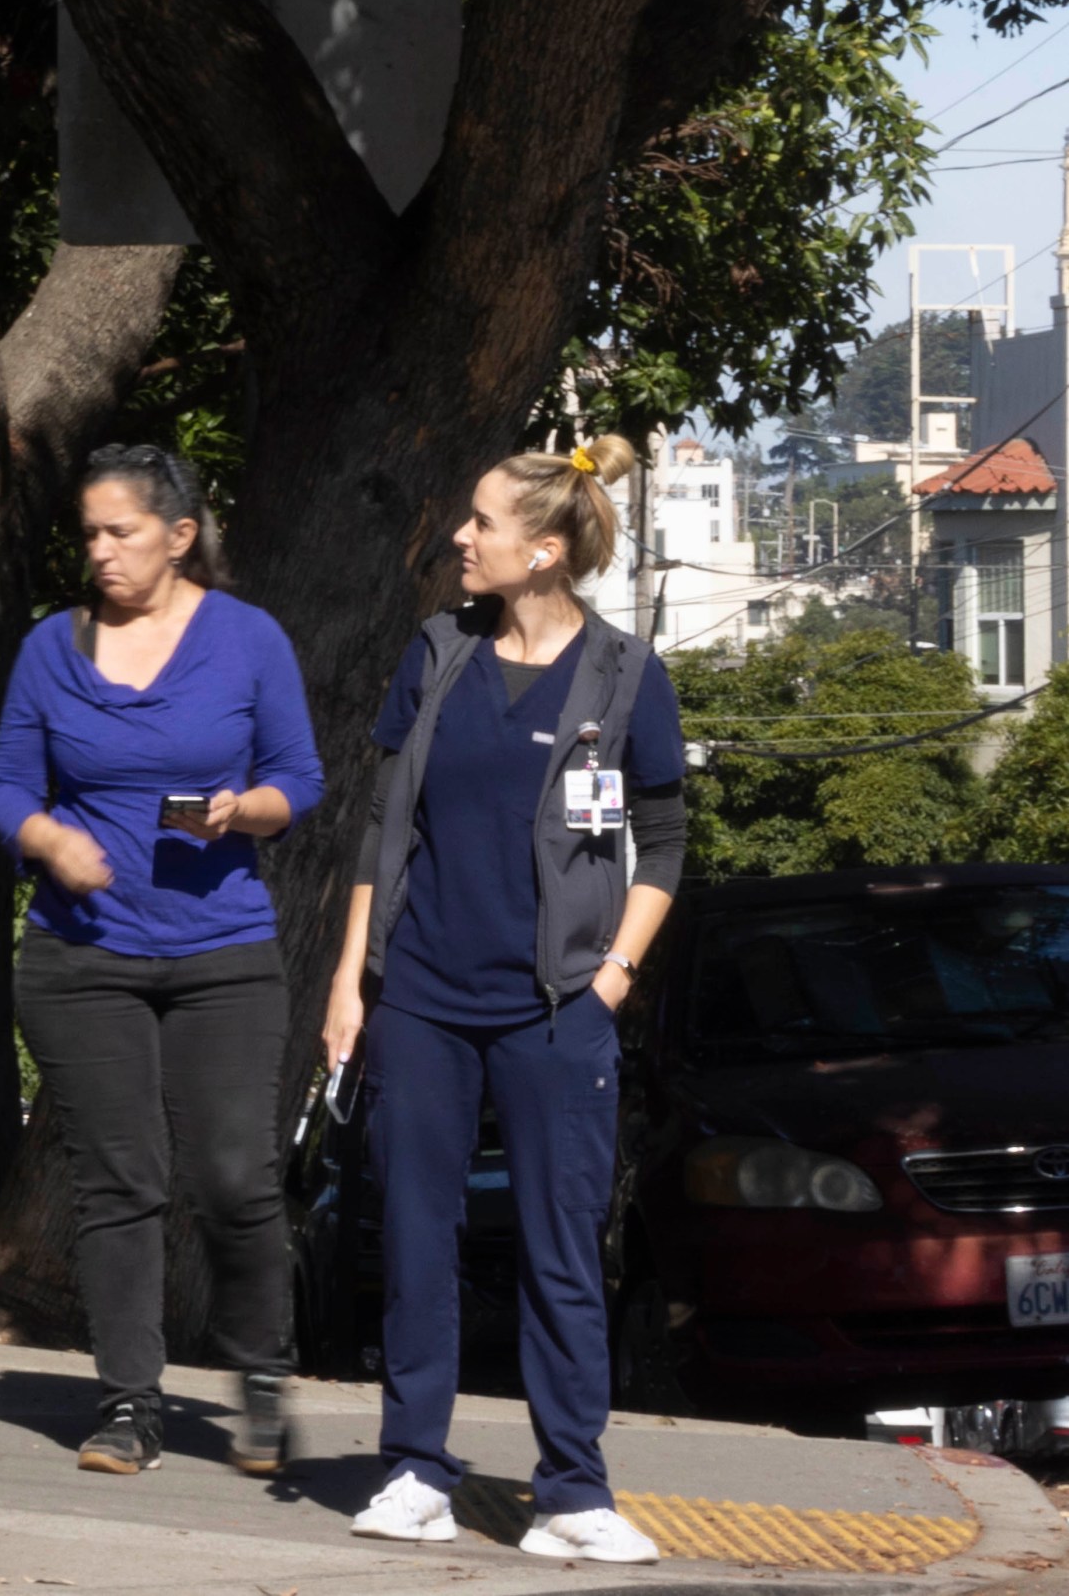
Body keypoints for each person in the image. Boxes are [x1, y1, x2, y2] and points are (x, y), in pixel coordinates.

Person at [323, 435, 683, 1566]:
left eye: (478, 522)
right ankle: (413, 1469)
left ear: (543, 548)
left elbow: (663, 841)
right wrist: (349, 980)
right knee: (414, 1242)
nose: (457, 538)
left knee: (559, 1247)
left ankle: (571, 1490)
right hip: (421, 1000)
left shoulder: (624, 674)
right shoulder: (435, 651)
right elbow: (384, 832)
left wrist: (612, 973)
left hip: (553, 1008)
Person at [0, 442, 323, 1478]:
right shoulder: (52, 645)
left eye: (118, 531)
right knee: (117, 1181)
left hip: (219, 949)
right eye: (86, 532)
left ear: (177, 536)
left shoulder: (246, 639)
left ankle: (261, 1377)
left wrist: (243, 808)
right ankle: (128, 1401)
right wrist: (45, 840)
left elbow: (296, 776)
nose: (98, 551)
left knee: (232, 1173)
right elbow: (4, 786)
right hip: (80, 958)